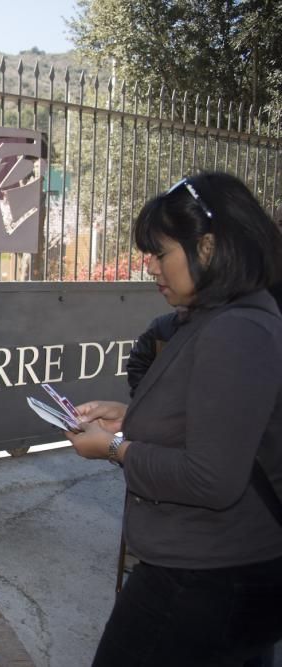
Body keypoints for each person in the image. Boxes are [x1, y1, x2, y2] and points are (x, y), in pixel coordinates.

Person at [65, 172, 282, 666]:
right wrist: (131, 415)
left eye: (160, 253)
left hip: (205, 581)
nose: (150, 267)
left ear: (206, 247)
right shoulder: (213, 315)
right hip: (211, 573)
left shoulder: (237, 330)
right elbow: (210, 416)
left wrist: (116, 446)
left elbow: (211, 478)